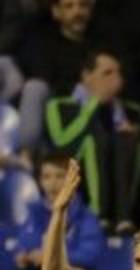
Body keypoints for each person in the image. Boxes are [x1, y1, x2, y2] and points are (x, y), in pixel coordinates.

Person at [44, 47, 140, 232]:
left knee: (125, 140)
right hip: (77, 181)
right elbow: (63, 144)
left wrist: (137, 135)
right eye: (107, 73)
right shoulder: (60, 105)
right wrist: (93, 104)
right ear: (86, 76)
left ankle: (124, 218)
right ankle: (97, 214)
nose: (116, 79)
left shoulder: (132, 111)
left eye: (119, 73)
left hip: (126, 198)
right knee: (94, 141)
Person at [15, 0, 121, 156]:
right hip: (58, 106)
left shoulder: (104, 42)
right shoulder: (43, 41)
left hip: (97, 106)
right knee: (35, 87)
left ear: (91, 10)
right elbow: (45, 76)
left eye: (83, 5)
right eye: (69, 6)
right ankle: (26, 156)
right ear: (56, 12)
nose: (77, 12)